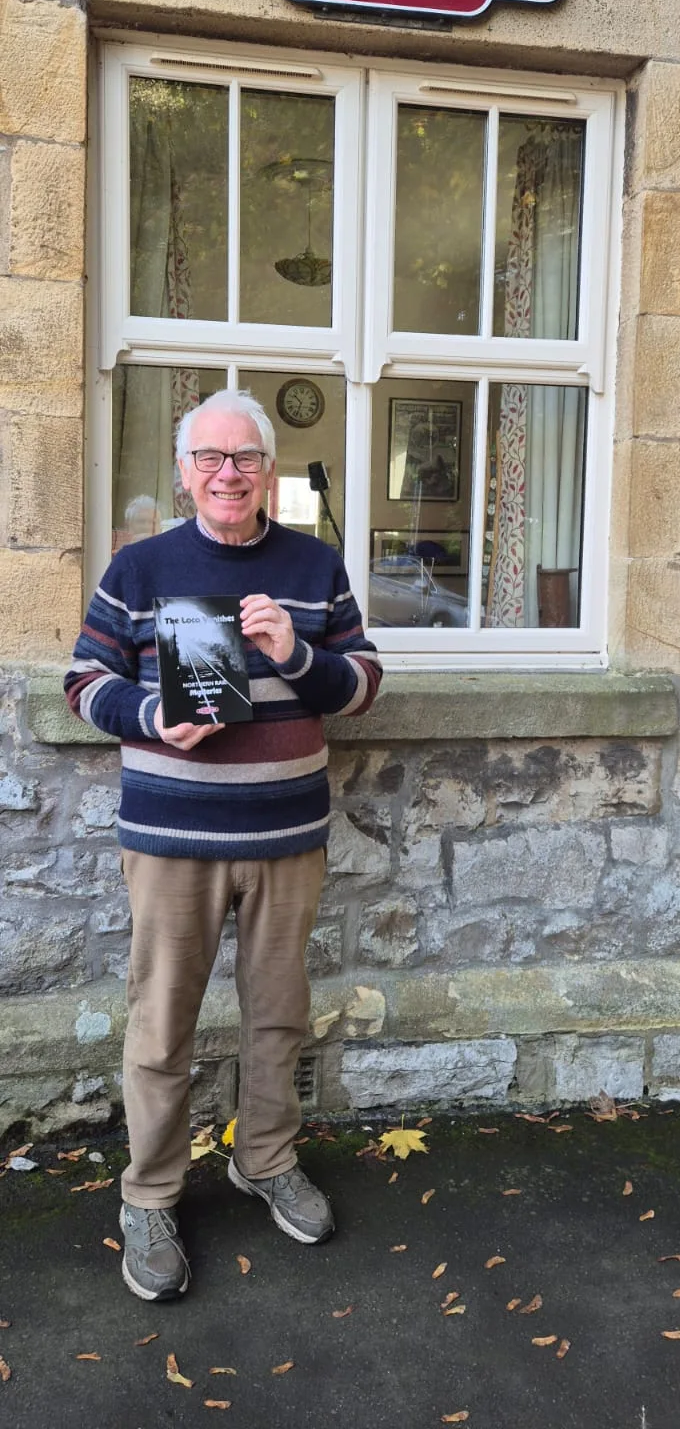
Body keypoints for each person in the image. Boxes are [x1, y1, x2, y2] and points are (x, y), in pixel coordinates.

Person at [64, 388, 382, 1302]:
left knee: (278, 1016)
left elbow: (361, 685)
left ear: (268, 470)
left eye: (243, 458)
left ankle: (266, 1159)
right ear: (183, 472)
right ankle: (151, 1194)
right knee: (162, 1025)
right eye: (209, 458)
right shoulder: (138, 567)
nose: (227, 474)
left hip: (287, 835)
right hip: (171, 837)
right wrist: (153, 715)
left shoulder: (315, 566)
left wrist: (297, 657)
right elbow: (86, 681)